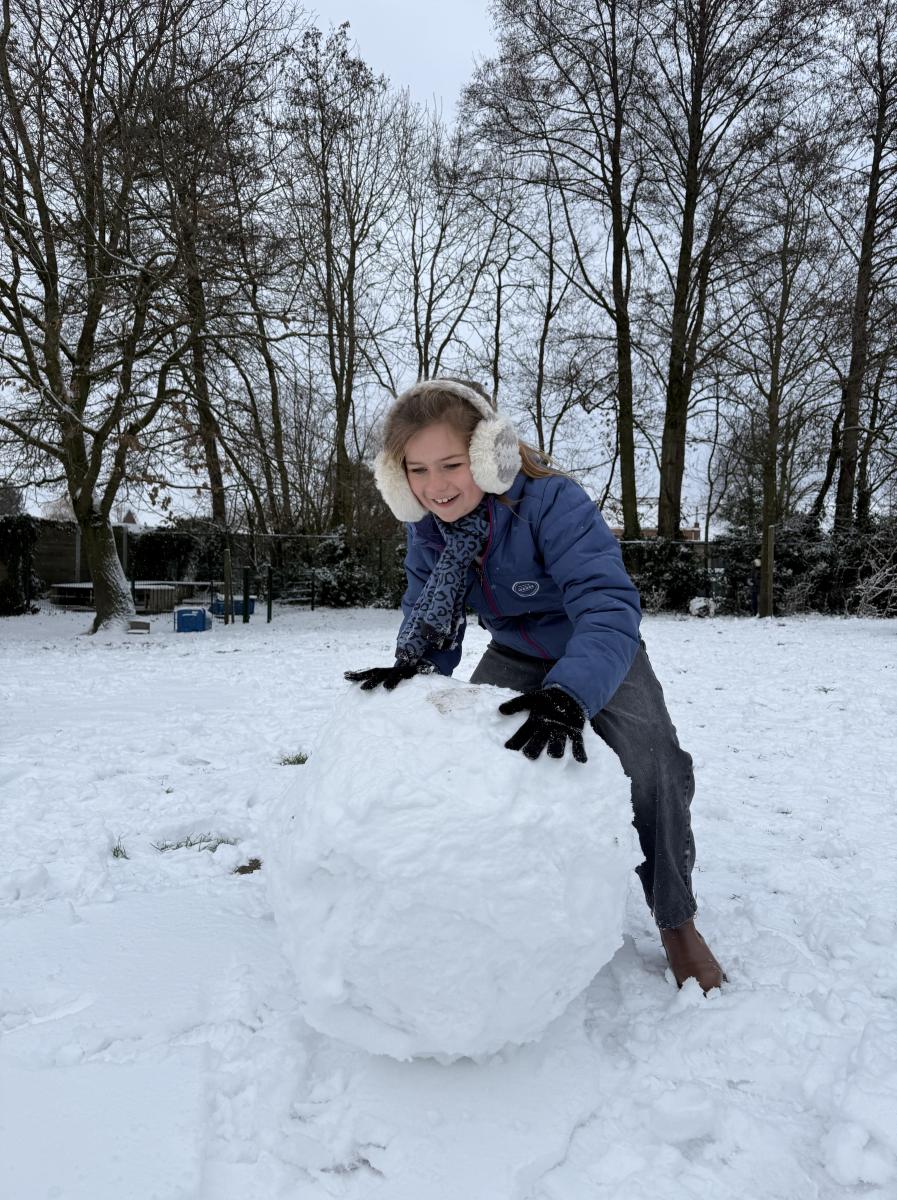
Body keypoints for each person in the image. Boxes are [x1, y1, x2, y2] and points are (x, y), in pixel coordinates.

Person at [345, 377, 725, 993]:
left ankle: (676, 920)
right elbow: (428, 610)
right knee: (478, 759)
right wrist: (414, 663)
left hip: (599, 648)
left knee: (654, 764)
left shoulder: (553, 503)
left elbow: (607, 605)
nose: (436, 486)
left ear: (488, 455)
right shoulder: (430, 530)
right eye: (417, 470)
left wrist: (571, 693)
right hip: (515, 652)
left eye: (451, 464)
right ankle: (502, 896)